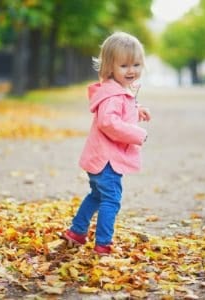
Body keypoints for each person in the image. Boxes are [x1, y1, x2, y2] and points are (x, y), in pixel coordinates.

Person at [63, 32, 151, 255]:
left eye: (136, 64)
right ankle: (103, 243)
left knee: (96, 195)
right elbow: (108, 122)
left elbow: (119, 113)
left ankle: (77, 231)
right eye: (124, 65)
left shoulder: (116, 91)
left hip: (100, 157)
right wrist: (137, 134)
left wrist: (136, 111)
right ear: (110, 67)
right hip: (107, 161)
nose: (131, 70)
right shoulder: (113, 96)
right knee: (111, 200)